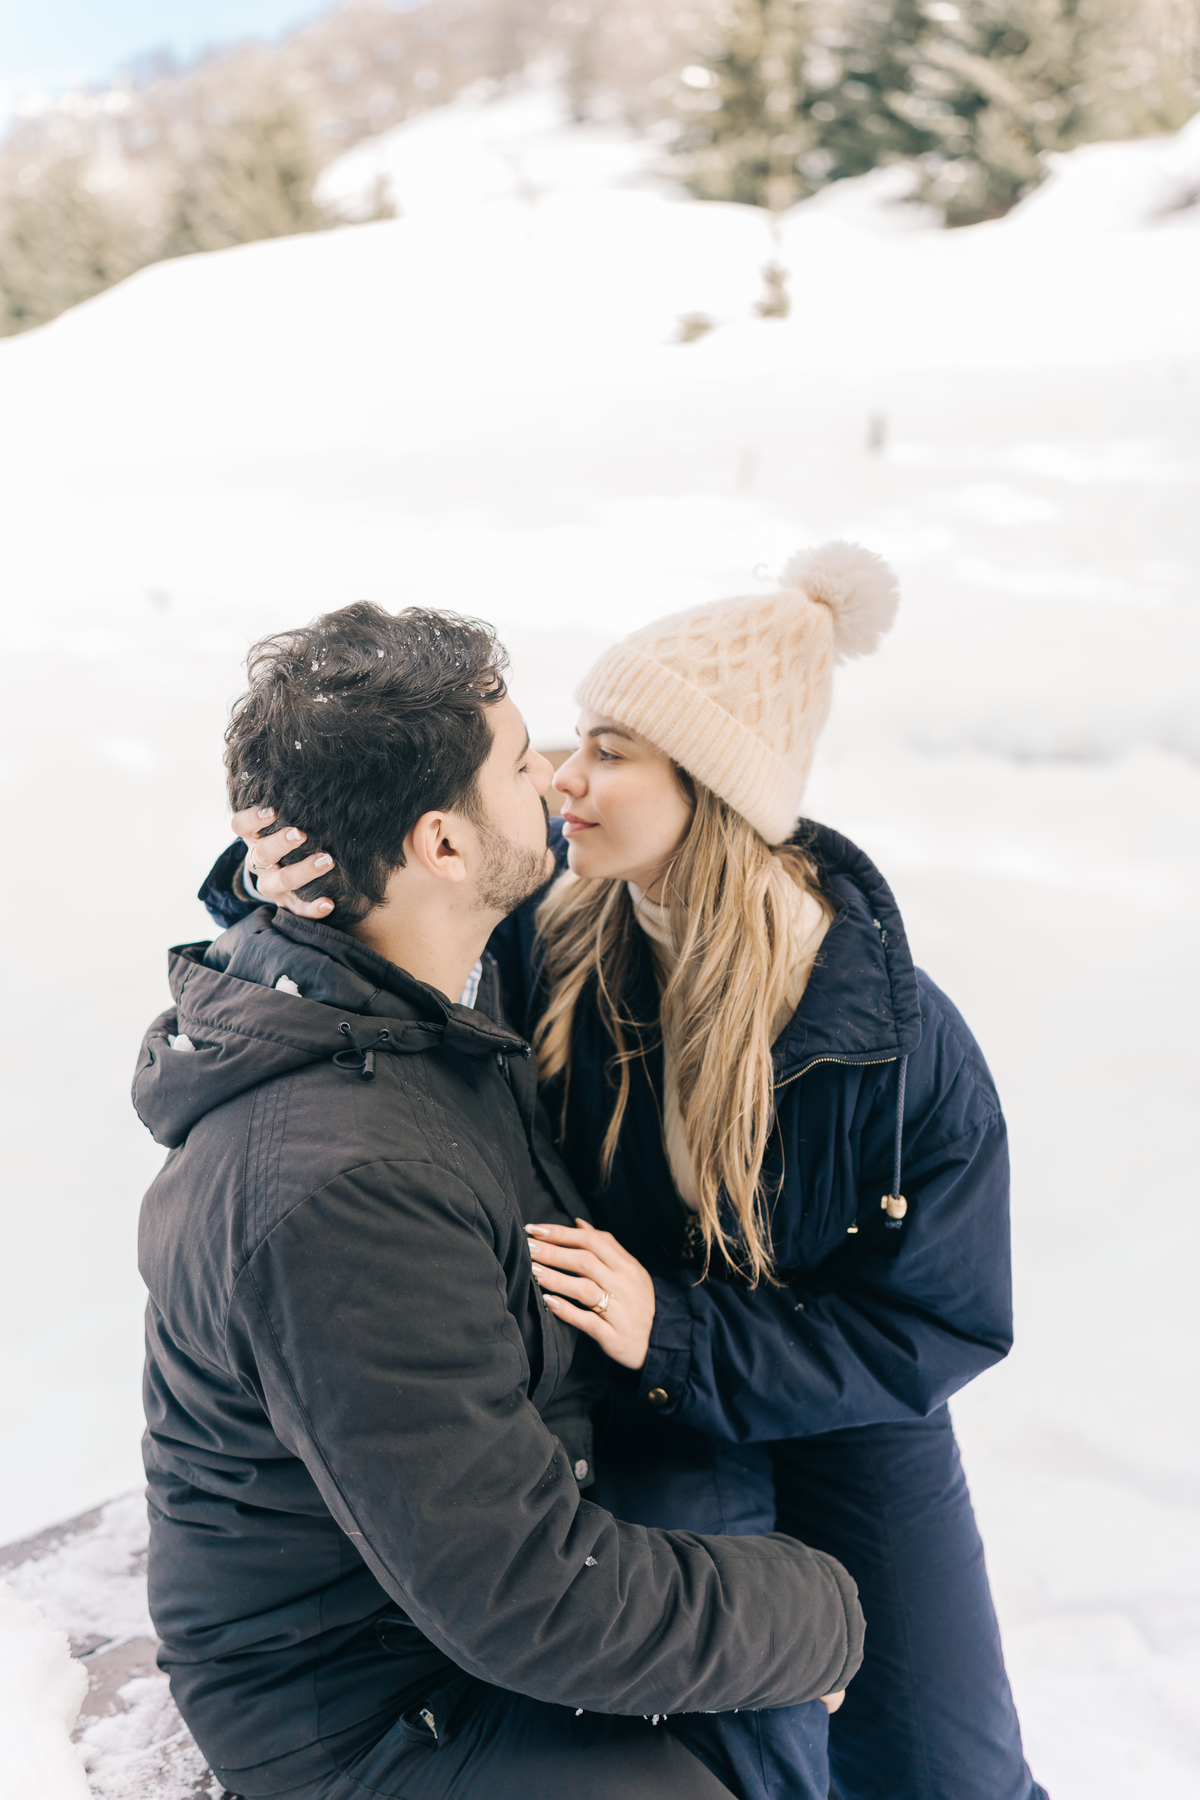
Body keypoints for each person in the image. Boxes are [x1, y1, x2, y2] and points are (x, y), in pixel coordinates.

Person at [241, 544, 1048, 1800]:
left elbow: (938, 1323)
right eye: (574, 741)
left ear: (713, 792)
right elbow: (400, 901)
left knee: (952, 1763)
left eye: (612, 752)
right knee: (745, 1736)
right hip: (636, 1409)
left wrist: (680, 1330)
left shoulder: (888, 1039)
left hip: (841, 1413)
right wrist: (280, 888)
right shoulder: (553, 929)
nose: (564, 778)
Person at [137, 601, 863, 1800]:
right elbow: (530, 1595)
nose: (554, 777)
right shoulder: (352, 1186)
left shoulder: (400, 1002)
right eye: (521, 758)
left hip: (430, 1603)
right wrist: (818, 1613)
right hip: (366, 1706)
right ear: (443, 847)